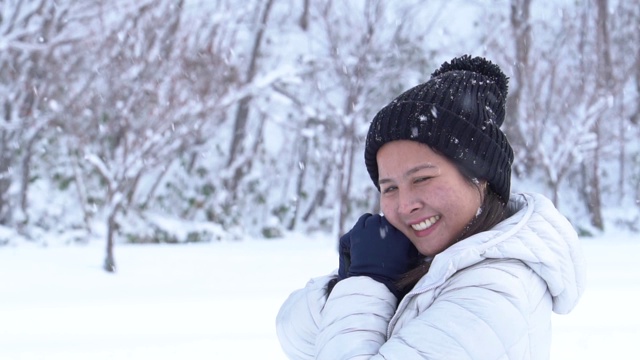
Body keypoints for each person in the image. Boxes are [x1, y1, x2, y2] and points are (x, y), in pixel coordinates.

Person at [275, 55, 586, 359]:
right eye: (390, 188)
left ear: (481, 178)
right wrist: (344, 283)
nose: (406, 204)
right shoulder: (428, 262)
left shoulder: (494, 291)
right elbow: (294, 333)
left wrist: (365, 285)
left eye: (422, 178)